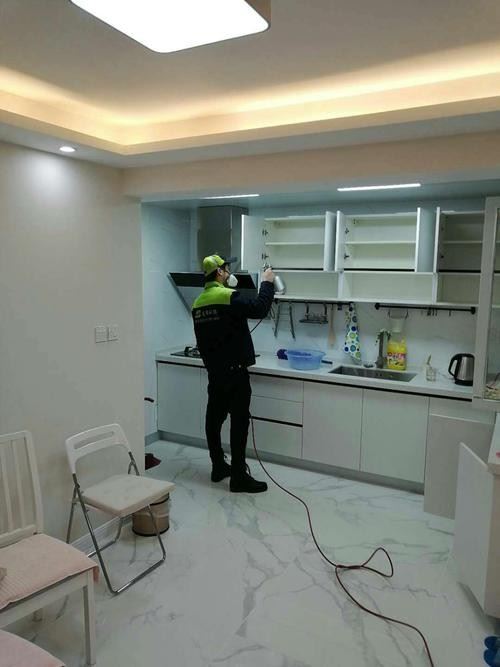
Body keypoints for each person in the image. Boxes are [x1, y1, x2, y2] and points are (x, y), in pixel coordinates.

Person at [192, 254, 275, 493]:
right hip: (235, 373)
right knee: (239, 422)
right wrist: (267, 283)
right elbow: (259, 308)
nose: (229, 274)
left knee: (214, 420)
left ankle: (218, 466)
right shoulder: (227, 296)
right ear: (219, 272)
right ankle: (238, 477)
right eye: (226, 270)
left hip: (215, 373)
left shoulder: (198, 303)